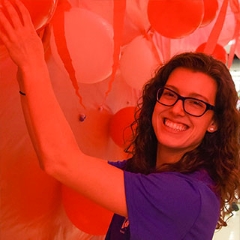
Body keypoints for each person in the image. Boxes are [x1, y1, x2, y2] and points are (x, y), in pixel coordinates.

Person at [0, 0, 240, 239]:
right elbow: (52, 157)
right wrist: (25, 74)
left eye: (196, 103)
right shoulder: (148, 171)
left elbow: (61, 160)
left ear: (214, 122)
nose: (177, 109)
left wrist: (32, 62)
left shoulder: (186, 195)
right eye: (170, 94)